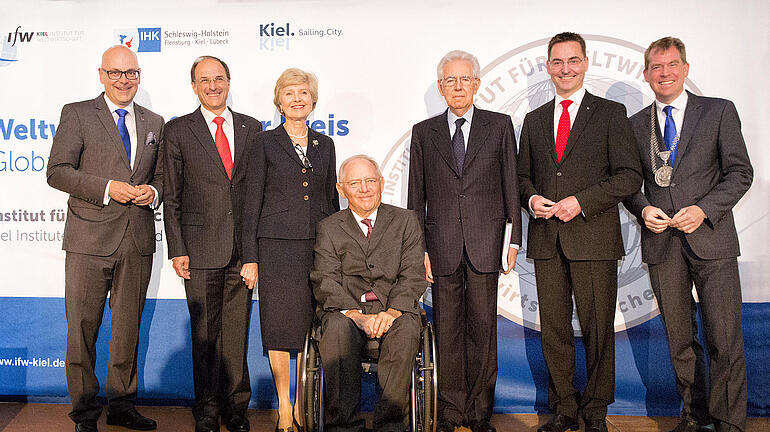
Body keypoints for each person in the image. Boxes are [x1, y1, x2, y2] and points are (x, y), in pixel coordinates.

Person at [623, 37, 752, 432]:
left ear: (686, 69)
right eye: (657, 67)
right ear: (646, 75)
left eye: (672, 65)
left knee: (724, 339)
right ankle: (693, 417)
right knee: (680, 341)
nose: (665, 73)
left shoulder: (718, 111)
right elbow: (629, 184)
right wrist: (643, 208)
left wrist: (703, 210)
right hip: (663, 245)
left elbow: (740, 173)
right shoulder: (634, 125)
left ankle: (728, 423)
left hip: (712, 240)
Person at [516, 32, 642, 432]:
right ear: (548, 66)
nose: (565, 69)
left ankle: (596, 412)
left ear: (585, 63)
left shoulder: (610, 113)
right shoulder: (534, 121)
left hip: (593, 238)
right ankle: (563, 408)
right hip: (547, 241)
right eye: (557, 62)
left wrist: (581, 202)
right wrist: (533, 200)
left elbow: (629, 176)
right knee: (554, 331)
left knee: (598, 329)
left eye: (573, 60)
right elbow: (520, 178)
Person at [47, 45, 163, 432]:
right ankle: (83, 412)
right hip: (87, 240)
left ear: (139, 75)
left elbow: (162, 176)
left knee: (128, 330)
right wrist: (107, 187)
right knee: (82, 329)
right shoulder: (77, 113)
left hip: (136, 240)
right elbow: (58, 171)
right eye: (115, 73)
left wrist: (154, 193)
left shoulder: (154, 122)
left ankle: (122, 406)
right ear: (101, 75)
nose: (123, 80)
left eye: (130, 72)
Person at [407, 50, 521, 432]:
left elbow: (511, 189)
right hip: (440, 248)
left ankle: (478, 413)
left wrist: (514, 240)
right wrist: (418, 248)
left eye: (464, 79)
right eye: (450, 80)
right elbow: (415, 197)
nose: (457, 86)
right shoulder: (424, 132)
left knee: (483, 332)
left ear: (476, 84)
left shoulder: (500, 125)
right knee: (448, 331)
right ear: (441, 87)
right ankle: (451, 410)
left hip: (486, 244)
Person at [162, 56, 262, 432]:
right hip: (199, 249)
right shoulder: (178, 131)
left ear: (229, 81)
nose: (213, 85)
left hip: (241, 251)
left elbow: (255, 196)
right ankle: (205, 408)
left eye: (218, 78)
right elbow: (171, 197)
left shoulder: (252, 129)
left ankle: (236, 408)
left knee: (236, 334)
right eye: (204, 80)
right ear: (194, 87)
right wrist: (177, 249)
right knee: (205, 335)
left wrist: (253, 253)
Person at [240, 68, 339, 432]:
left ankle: (301, 403)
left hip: (318, 248)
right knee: (279, 327)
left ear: (313, 100)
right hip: (275, 248)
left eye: (303, 93)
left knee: (308, 327)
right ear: (279, 101)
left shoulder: (324, 144)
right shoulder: (264, 143)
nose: (297, 99)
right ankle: (284, 406)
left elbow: (330, 198)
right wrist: (250, 256)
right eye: (289, 93)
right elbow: (251, 202)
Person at [310, 155, 426, 432]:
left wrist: (392, 312)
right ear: (341, 189)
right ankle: (343, 426)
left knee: (406, 329)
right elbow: (325, 279)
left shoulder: (405, 220)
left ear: (382, 183)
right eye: (355, 183)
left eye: (370, 181)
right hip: (347, 311)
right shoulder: (328, 228)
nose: (364, 188)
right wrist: (355, 315)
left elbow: (412, 273)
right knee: (336, 328)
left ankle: (391, 425)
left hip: (393, 309)